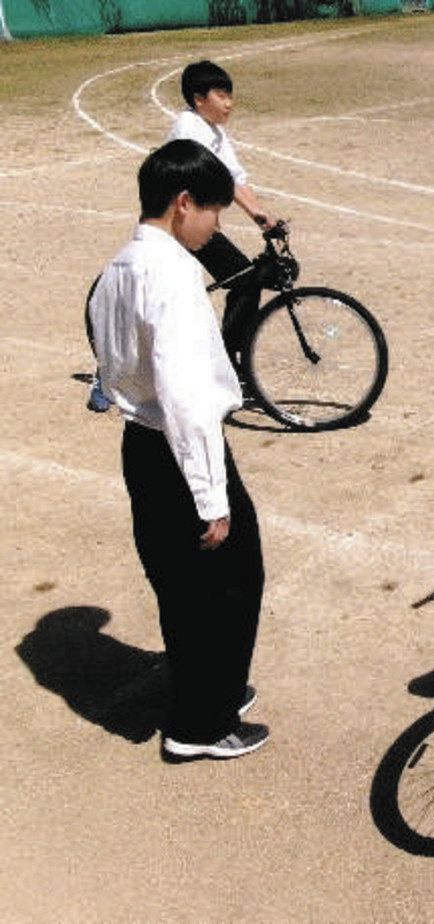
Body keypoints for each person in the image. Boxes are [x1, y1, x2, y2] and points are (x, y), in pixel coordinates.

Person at [88, 139, 268, 760]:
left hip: (141, 446)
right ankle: (201, 724)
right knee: (230, 582)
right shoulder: (173, 275)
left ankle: (209, 690)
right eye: (212, 211)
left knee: (183, 587)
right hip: (178, 446)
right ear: (183, 202)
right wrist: (211, 496)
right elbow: (186, 396)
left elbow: (109, 364)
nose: (215, 226)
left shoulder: (116, 268)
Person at [165, 59, 275, 367]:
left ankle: (233, 360)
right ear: (199, 100)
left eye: (230, 95)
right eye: (221, 96)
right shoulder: (189, 128)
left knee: (245, 278)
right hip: (176, 223)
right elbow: (209, 178)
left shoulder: (213, 130)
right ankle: (225, 364)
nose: (230, 103)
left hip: (198, 222)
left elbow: (235, 177)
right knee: (243, 279)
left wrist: (260, 215)